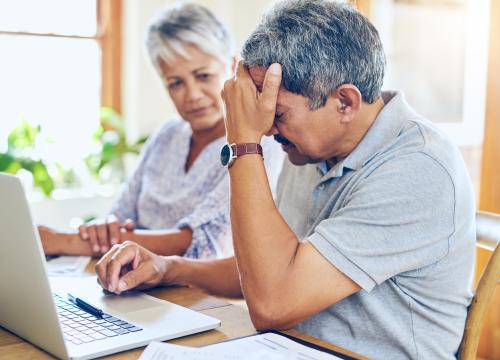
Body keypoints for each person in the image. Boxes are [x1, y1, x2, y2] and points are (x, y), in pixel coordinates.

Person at [94, 1, 475, 358]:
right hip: (293, 347)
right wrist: (169, 268)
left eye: (276, 115)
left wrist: (243, 144)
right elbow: (273, 265)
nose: (266, 129)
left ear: (345, 102)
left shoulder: (417, 168)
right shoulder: (310, 146)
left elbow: (273, 304)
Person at [38, 3, 283, 259]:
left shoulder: (258, 144)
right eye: (176, 83)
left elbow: (203, 244)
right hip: (131, 283)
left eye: (203, 76)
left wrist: (64, 241)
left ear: (232, 67)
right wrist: (105, 229)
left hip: (199, 295)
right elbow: (120, 214)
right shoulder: (167, 135)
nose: (192, 95)